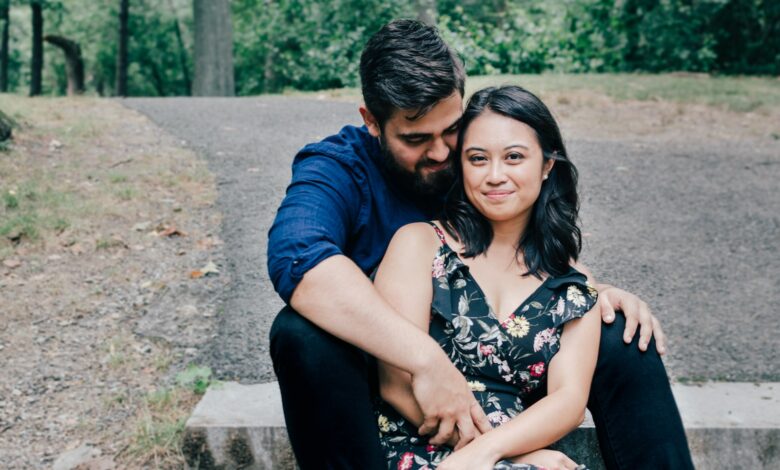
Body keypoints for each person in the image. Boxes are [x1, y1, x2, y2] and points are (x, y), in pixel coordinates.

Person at [268, 19, 693, 469]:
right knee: (301, 334)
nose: (440, 154)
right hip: (388, 378)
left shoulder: (475, 161)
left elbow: (516, 236)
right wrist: (425, 360)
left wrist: (587, 291)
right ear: (372, 121)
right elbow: (300, 259)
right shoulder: (340, 170)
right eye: (415, 139)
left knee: (622, 329)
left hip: (499, 370)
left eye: (451, 132)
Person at [373, 85, 601, 470]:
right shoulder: (419, 244)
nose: (495, 176)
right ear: (460, 167)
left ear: (547, 165)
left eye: (514, 157)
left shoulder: (573, 285)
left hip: (509, 450)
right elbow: (394, 384)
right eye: (478, 159)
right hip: (419, 445)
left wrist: (493, 453)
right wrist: (496, 454)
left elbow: (569, 401)